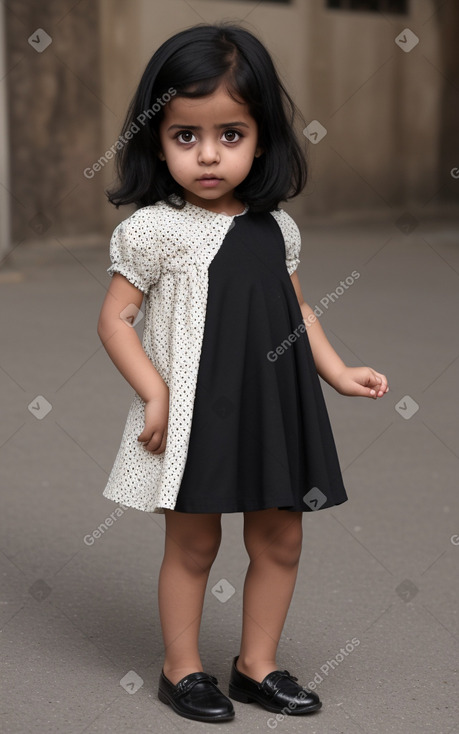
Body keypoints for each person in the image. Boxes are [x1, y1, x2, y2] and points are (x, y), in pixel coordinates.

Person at [97, 23, 389, 724]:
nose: (207, 155)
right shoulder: (152, 231)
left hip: (274, 405)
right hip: (199, 411)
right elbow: (114, 320)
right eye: (184, 136)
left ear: (261, 139)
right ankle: (181, 669)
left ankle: (256, 666)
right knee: (194, 540)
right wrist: (153, 391)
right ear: (155, 139)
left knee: (281, 537)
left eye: (230, 134)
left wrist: (336, 370)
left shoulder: (274, 227)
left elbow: (297, 310)